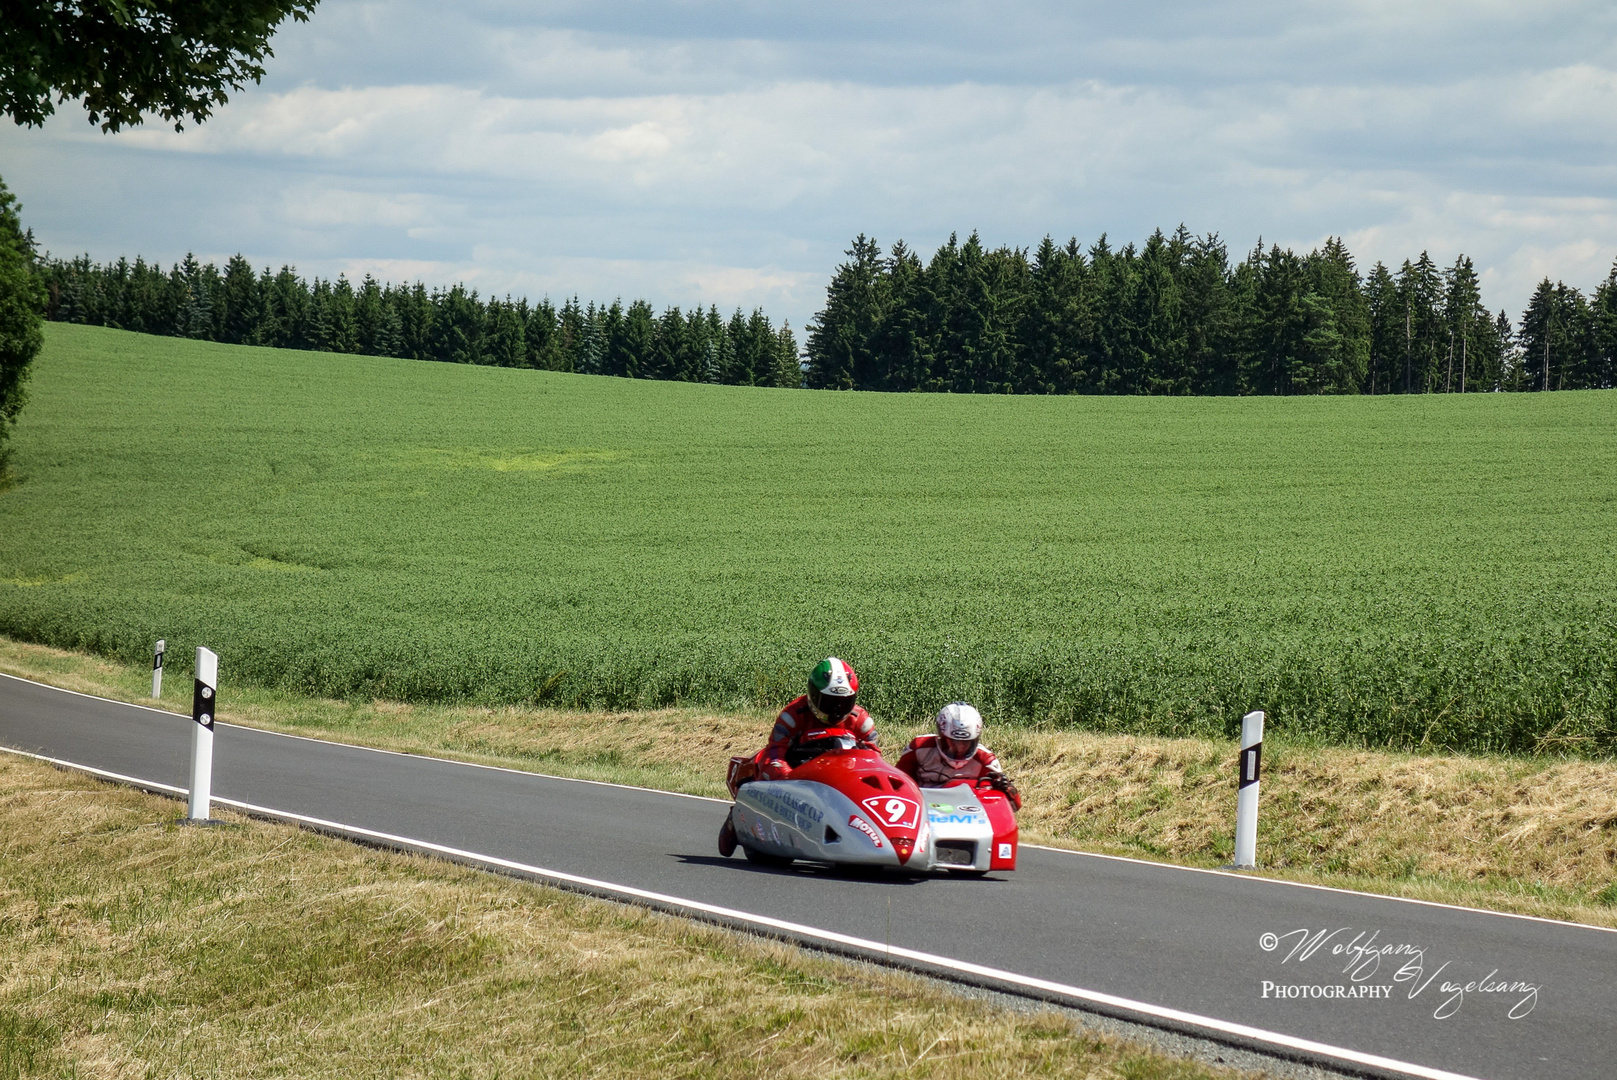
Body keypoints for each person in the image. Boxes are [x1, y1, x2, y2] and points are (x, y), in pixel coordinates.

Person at [718, 657, 877, 856]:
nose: (836, 710)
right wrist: (787, 778)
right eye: (829, 702)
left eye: (843, 702)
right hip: (799, 776)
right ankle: (738, 816)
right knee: (768, 856)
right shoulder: (793, 715)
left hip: (842, 779)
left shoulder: (861, 721)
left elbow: (873, 760)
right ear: (813, 694)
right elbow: (774, 753)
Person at [895, 701, 1021, 810]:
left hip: (967, 815)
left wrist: (1007, 790)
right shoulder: (919, 748)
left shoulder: (985, 760)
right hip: (923, 809)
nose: (959, 749)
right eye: (952, 743)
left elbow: (1014, 807)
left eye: (965, 744)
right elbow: (897, 786)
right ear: (941, 737)